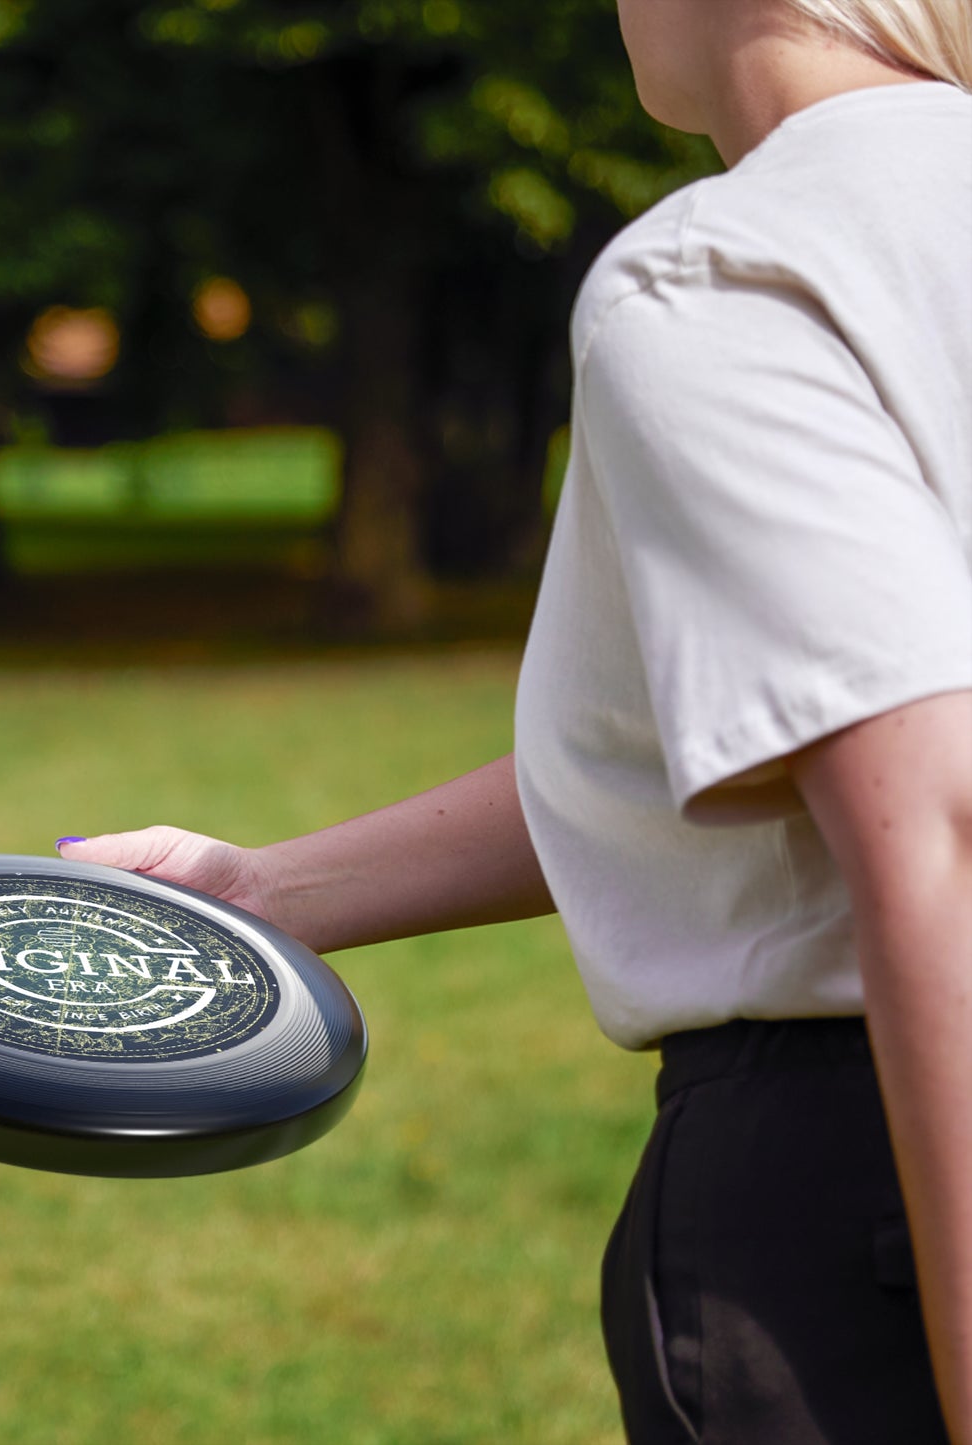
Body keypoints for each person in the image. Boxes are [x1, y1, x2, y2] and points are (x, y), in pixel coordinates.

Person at [55, 2, 972, 1440]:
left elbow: (936, 821)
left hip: (870, 1191)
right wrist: (267, 890)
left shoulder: (731, 270)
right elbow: (750, 740)